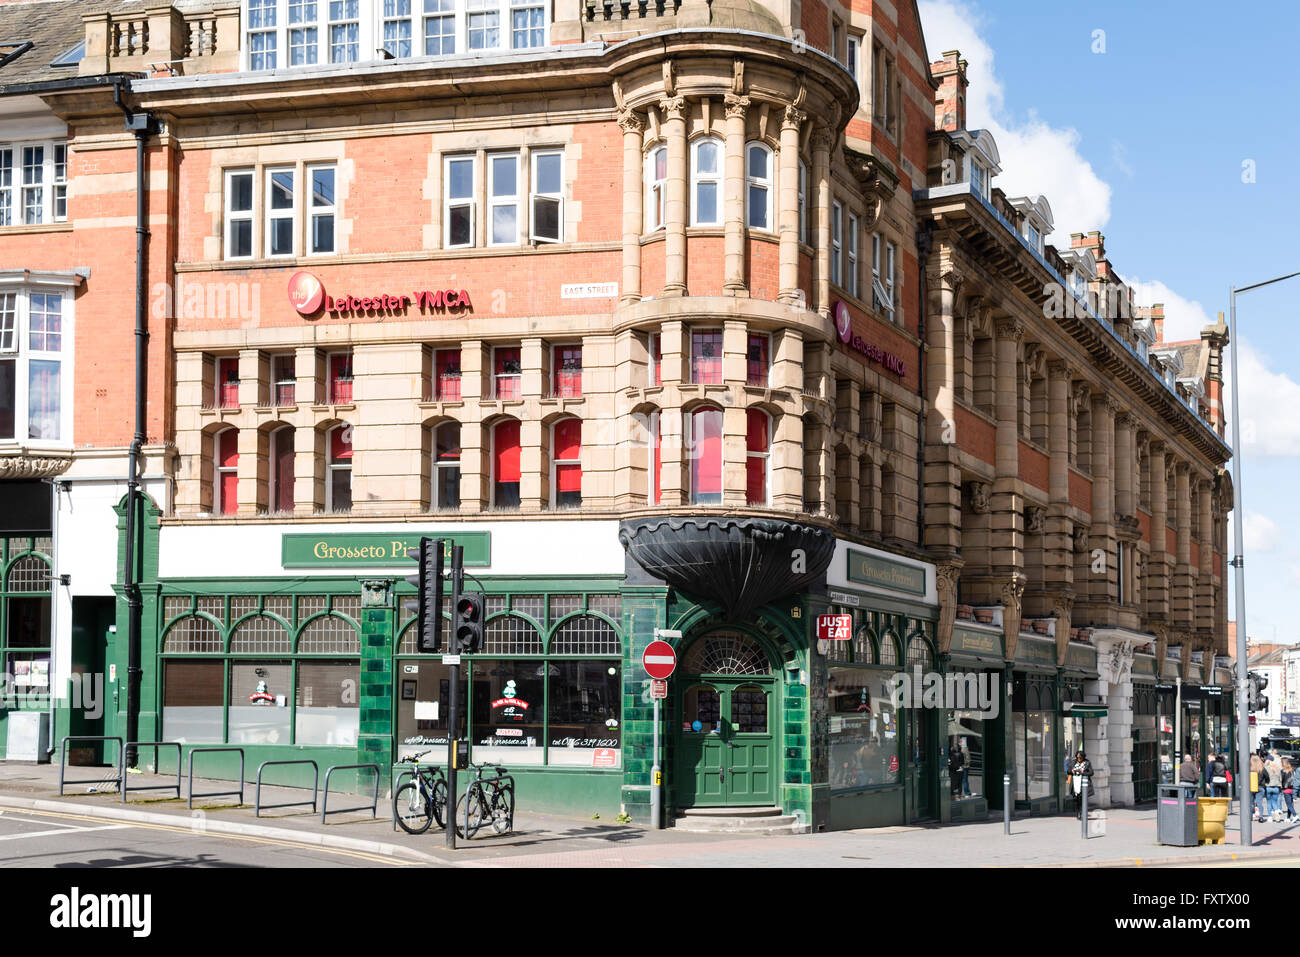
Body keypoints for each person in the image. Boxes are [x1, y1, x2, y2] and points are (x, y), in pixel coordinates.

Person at [1070, 750, 1094, 819]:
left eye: (1080, 757)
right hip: (1075, 784)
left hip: (1084, 785)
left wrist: (1082, 772)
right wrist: (1071, 771)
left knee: (1083, 799)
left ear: (1083, 757)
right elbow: (1068, 771)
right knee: (1076, 800)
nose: (1078, 759)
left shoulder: (1087, 762)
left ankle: (1083, 813)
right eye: (1077, 757)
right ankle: (1078, 813)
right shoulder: (1073, 762)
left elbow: (1091, 773)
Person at [1267, 751, 1285, 822]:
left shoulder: (1267, 768)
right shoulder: (1278, 769)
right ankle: (1277, 811)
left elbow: (1265, 777)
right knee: (1275, 801)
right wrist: (1280, 785)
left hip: (1268, 786)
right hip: (1276, 787)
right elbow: (1280, 778)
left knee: (1269, 802)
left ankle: (1270, 817)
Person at [1251, 752, 1268, 822]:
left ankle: (1250, 816)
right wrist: (1265, 782)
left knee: (1251, 803)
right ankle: (1261, 817)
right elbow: (1267, 776)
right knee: (1259, 803)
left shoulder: (1249, 768)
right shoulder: (1262, 768)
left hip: (1251, 787)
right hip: (1260, 787)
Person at [1282, 757, 1297, 824]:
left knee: (1289, 805)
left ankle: (1295, 815)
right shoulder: (1293, 770)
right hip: (1293, 789)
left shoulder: (1283, 770)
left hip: (1286, 789)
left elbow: (1282, 780)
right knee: (1291, 804)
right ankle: (1288, 817)